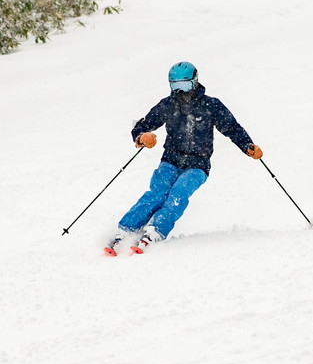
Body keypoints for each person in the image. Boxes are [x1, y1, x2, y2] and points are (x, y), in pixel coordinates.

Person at [105, 61, 262, 255]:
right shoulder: (167, 105)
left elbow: (232, 128)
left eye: (185, 85)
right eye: (175, 86)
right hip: (170, 160)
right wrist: (142, 137)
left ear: (195, 82)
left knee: (178, 193)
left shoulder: (211, 105)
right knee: (157, 193)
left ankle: (155, 231)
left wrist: (247, 145)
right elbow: (142, 126)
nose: (180, 91)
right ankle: (125, 230)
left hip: (198, 164)